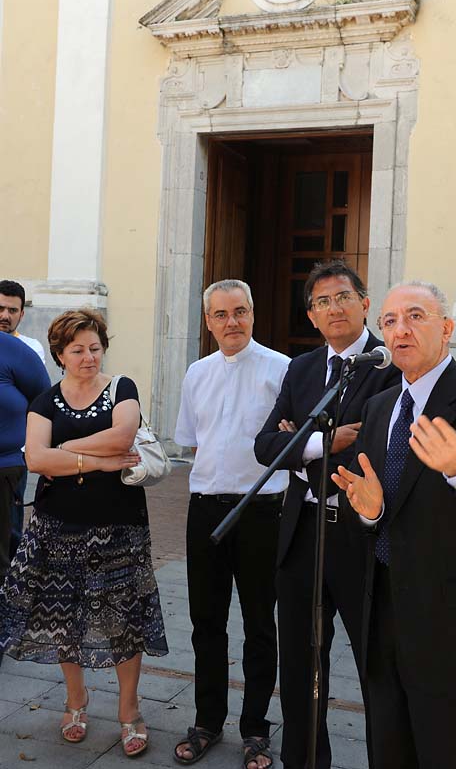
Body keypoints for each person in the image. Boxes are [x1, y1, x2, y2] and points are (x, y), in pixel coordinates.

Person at [331, 281, 456, 769]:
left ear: (446, 328)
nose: (400, 330)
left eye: (415, 316)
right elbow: (388, 511)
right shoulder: (380, 406)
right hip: (385, 627)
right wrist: (370, 512)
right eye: (388, 321)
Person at [0, 308, 168, 758]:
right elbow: (35, 460)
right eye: (78, 350)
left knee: (124, 619)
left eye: (95, 348)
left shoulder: (122, 389)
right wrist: (96, 463)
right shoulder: (45, 401)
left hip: (119, 524)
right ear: (59, 353)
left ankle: (129, 710)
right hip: (59, 525)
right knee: (62, 616)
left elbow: (122, 436)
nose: (89, 357)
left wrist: (68, 449)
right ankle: (76, 701)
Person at [254, 260, 400, 769]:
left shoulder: (391, 369)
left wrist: (303, 451)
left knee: (376, 668)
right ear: (312, 317)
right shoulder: (302, 368)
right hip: (303, 534)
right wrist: (322, 440)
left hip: (362, 536)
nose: (332, 308)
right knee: (297, 665)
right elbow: (266, 445)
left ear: (365, 303)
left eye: (342, 297)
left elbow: (375, 453)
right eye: (321, 302)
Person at [173, 279, 290, 769]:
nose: (232, 322)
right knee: (206, 622)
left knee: (261, 624)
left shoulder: (283, 370)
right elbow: (194, 443)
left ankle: (256, 729)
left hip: (262, 510)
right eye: (220, 315)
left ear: (253, 313)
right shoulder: (197, 373)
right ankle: (207, 721)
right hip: (206, 509)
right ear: (208, 322)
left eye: (239, 311)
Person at [0, 280, 47, 560]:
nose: (4, 315)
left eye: (11, 310)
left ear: (22, 314)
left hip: (10, 459)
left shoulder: (27, 350)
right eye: (0, 308)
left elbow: (39, 400)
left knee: (9, 530)